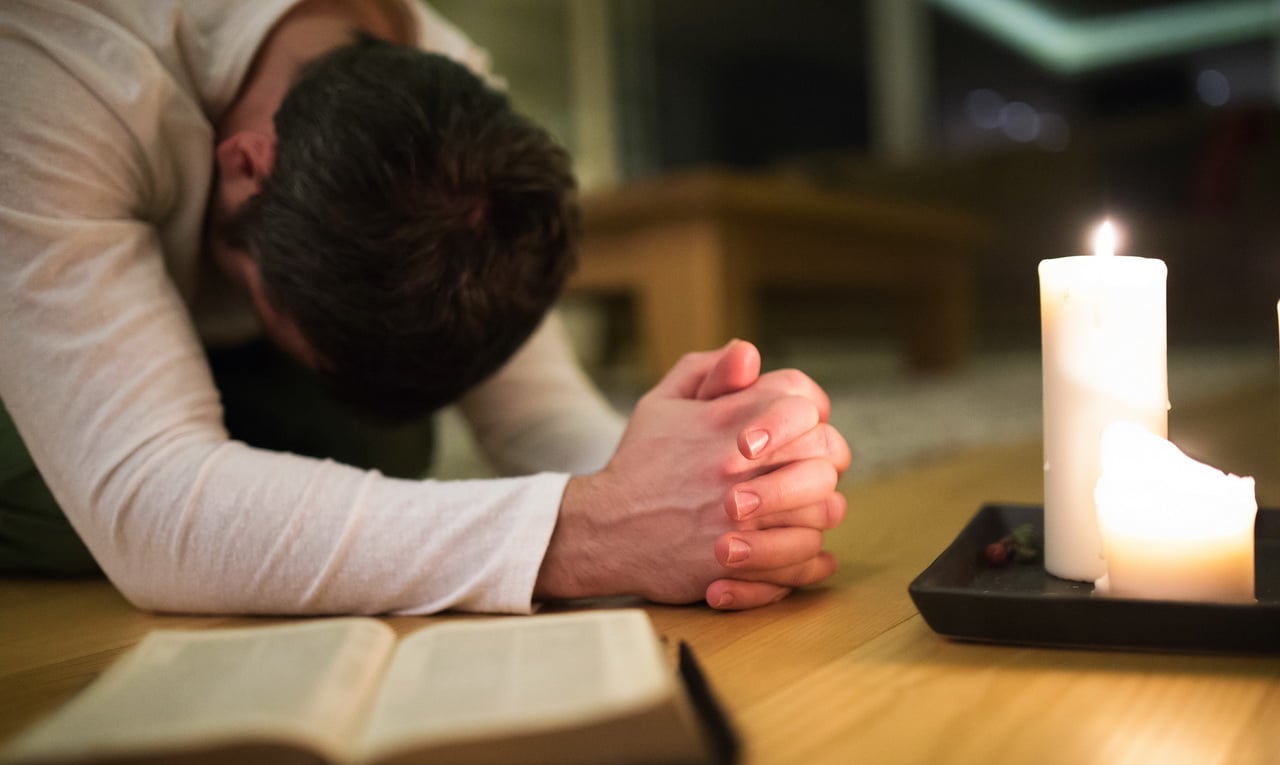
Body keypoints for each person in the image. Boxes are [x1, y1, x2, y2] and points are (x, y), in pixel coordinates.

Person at [0, 0, 850, 615]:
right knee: (95, 525)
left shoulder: (452, 100)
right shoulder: (61, 72)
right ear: (246, 164)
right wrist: (588, 534)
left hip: (241, 365)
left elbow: (539, 419)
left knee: (389, 443)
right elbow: (149, 505)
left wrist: (724, 485)